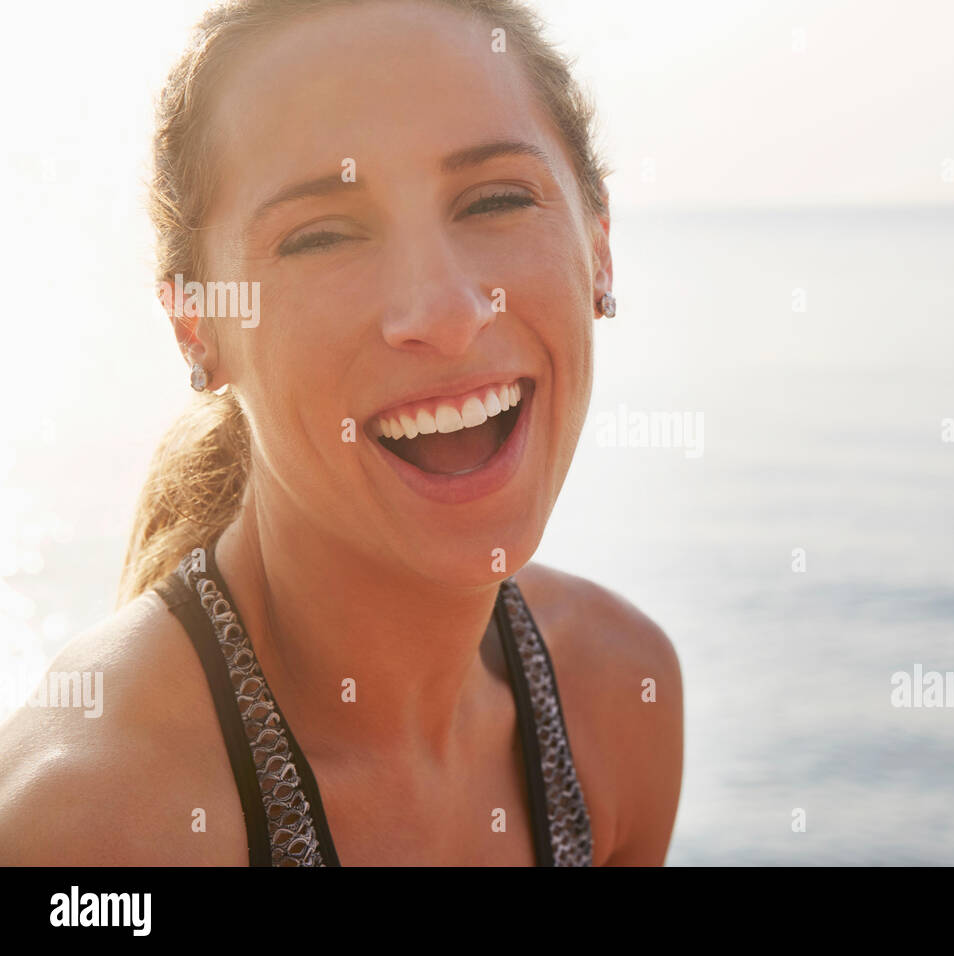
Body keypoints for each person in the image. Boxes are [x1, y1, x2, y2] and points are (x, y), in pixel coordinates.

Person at [0, 0, 683, 866]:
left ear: (600, 246)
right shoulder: (97, 826)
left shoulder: (618, 696)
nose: (445, 312)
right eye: (321, 235)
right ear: (195, 325)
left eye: (495, 199)